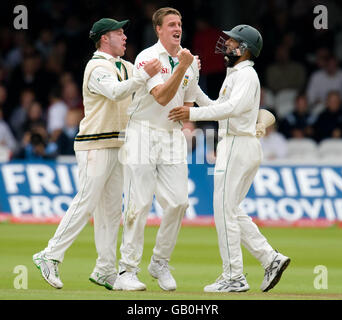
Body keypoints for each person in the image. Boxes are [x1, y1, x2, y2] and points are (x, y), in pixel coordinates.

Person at [32, 18, 161, 290]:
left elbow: (143, 91)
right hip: (94, 144)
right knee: (87, 201)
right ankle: (50, 254)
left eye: (125, 32)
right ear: (105, 38)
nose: (125, 37)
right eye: (119, 33)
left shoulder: (125, 66)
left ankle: (105, 269)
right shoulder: (96, 67)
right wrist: (143, 75)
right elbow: (114, 93)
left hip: (117, 144)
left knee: (111, 212)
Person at [169, 25, 290, 292]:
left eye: (233, 42)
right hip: (237, 144)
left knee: (224, 212)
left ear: (244, 49)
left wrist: (190, 115)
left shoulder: (246, 75)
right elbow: (216, 106)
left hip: (238, 144)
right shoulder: (236, 74)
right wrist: (195, 84)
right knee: (230, 210)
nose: (226, 45)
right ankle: (270, 258)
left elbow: (231, 110)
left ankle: (234, 276)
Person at [113, 7, 199, 292]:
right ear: (159, 29)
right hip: (142, 133)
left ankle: (159, 262)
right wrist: (183, 66)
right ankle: (127, 270)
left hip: (172, 137)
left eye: (180, 23)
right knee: (139, 203)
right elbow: (161, 97)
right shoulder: (146, 58)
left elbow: (187, 104)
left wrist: (187, 117)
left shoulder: (189, 61)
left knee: (178, 203)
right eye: (172, 24)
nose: (178, 28)